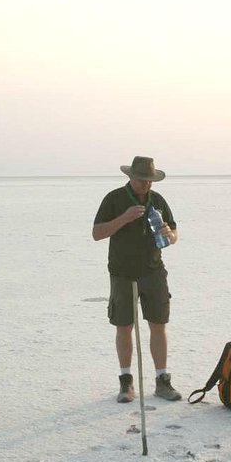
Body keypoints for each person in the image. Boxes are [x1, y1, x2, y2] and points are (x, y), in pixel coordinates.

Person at [92, 156, 182, 403]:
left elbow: (175, 233)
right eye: (142, 180)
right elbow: (97, 233)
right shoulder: (114, 199)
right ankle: (126, 381)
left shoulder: (157, 200)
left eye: (150, 180)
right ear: (130, 177)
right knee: (124, 325)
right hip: (122, 272)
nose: (146, 185)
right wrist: (124, 218)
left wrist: (169, 234)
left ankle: (162, 380)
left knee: (158, 323)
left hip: (153, 270)